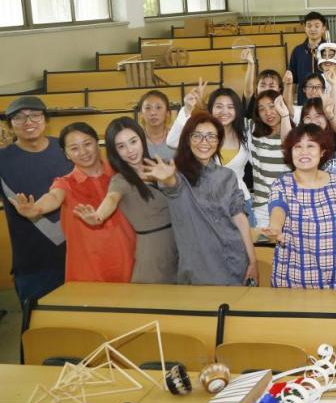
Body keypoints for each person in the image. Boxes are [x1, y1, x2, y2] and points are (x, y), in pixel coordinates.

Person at [11, 123, 135, 283]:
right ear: (66, 154)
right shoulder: (65, 183)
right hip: (88, 268)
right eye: (74, 148)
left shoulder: (120, 173)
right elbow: (53, 197)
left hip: (129, 259)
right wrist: (36, 209)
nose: (83, 152)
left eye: (87, 144)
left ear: (98, 144)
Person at [143, 112, 257, 285]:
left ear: (218, 141)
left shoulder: (227, 176)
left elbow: (239, 218)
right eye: (197, 136)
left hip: (236, 262)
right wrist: (167, 179)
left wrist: (253, 261)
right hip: (200, 270)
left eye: (211, 136)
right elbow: (173, 187)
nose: (204, 142)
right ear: (188, 140)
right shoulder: (178, 175)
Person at [73, 118, 178, 284]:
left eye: (133, 141)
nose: (130, 150)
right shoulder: (120, 181)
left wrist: (170, 179)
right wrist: (98, 216)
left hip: (182, 242)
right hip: (153, 251)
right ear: (115, 152)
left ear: (141, 139)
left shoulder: (164, 165)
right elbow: (111, 198)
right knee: (153, 298)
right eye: (121, 146)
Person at [260, 124, 336, 293]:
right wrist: (275, 227)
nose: (303, 152)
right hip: (290, 278)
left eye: (311, 146)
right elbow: (278, 207)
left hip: (335, 277)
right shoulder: (282, 183)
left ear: (322, 151)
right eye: (297, 147)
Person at [1, 97, 72, 305]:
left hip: (76, 255)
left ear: (46, 119)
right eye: (19, 117)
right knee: (37, 322)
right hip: (32, 264)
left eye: (35, 115)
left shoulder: (66, 148)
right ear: (10, 125)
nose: (28, 122)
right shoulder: (2, 159)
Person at [168, 83, 253, 223]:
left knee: (246, 236)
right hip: (209, 203)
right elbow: (172, 141)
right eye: (219, 106)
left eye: (230, 107)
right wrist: (188, 109)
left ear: (237, 110)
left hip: (240, 200)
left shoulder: (246, 130)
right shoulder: (203, 131)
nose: (224, 111)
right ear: (211, 109)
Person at [290, 98, 336, 207]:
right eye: (308, 117)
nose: (313, 121)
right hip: (309, 206)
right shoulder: (299, 145)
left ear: (326, 117)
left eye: (318, 116)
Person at [248, 89, 289, 227]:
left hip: (290, 205)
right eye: (262, 109)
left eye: (272, 106)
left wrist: (285, 116)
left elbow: (289, 146)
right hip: (263, 206)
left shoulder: (296, 133)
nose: (268, 112)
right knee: (263, 242)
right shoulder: (253, 132)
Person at [288, 11, 328, 104]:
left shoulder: (331, 50)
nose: (312, 29)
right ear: (305, 28)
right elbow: (293, 80)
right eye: (309, 26)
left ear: (323, 29)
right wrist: (290, 103)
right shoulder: (297, 51)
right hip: (304, 102)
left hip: (326, 102)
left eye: (317, 26)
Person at [136, 90, 175, 160]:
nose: (153, 113)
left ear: (167, 113)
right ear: (141, 114)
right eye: (148, 108)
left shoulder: (176, 137)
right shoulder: (136, 140)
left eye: (158, 107)